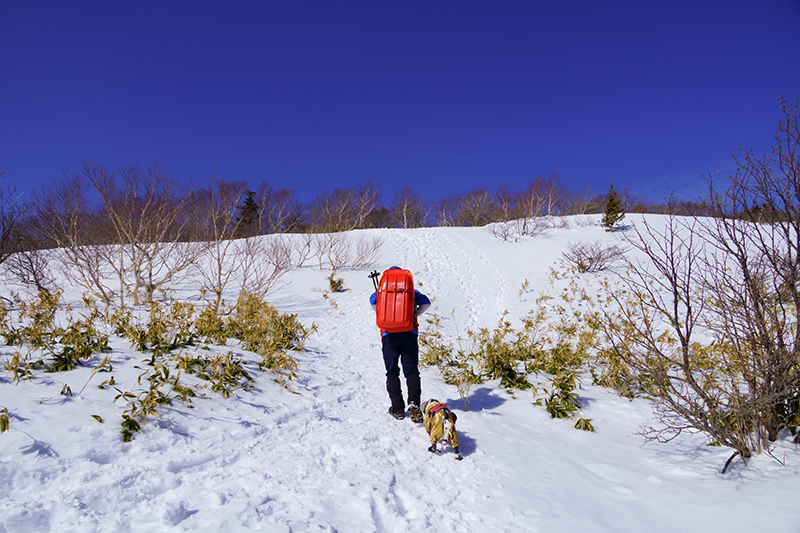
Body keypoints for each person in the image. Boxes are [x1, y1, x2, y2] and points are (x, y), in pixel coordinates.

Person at [370, 267, 431, 421]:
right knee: (411, 371)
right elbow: (427, 303)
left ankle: (397, 408)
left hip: (389, 335)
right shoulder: (411, 292)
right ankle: (414, 402)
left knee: (392, 372)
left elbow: (374, 305)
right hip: (409, 334)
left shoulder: (380, 292)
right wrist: (414, 314)